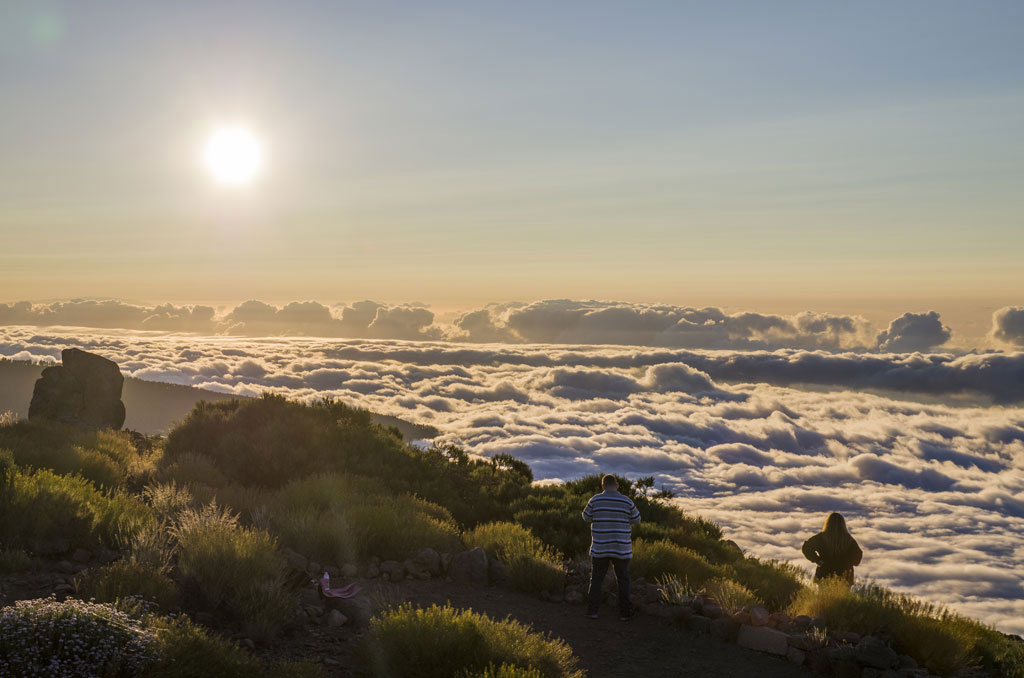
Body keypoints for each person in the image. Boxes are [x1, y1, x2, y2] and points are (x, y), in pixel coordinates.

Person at [582, 474, 641, 621]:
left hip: (600, 547)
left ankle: (592, 611)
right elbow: (637, 519)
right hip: (621, 548)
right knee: (623, 580)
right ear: (617, 485)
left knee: (596, 579)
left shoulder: (595, 500)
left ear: (603, 486)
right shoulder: (627, 501)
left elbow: (586, 517)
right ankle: (625, 613)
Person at [802, 512, 863, 585]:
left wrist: (818, 560)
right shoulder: (849, 540)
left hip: (824, 574)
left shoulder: (821, 538)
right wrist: (847, 563)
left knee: (824, 596)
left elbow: (806, 548)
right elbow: (857, 558)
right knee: (843, 596)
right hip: (845, 577)